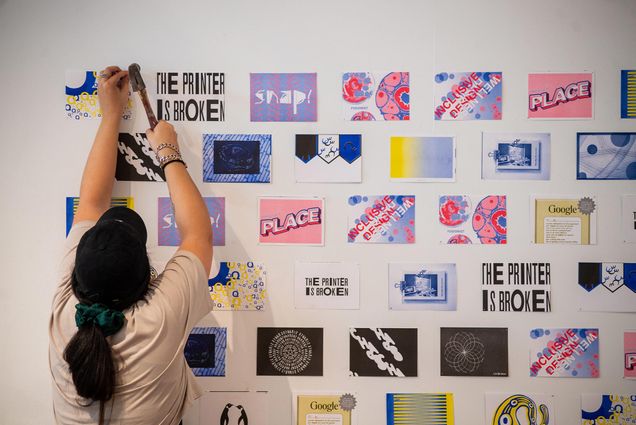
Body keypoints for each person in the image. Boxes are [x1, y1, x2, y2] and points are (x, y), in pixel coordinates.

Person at [49, 66, 213, 425]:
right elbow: (198, 234)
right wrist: (168, 150)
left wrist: (110, 115)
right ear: (148, 282)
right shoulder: (158, 318)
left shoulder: (64, 311)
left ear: (76, 271)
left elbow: (91, 203)